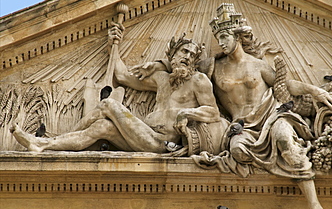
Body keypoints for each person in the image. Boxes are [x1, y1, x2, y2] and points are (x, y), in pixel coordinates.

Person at [139, 3, 332, 209]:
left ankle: (314, 205)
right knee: (236, 151)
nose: (221, 42)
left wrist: (315, 90)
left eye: (224, 36)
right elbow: (183, 63)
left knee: (284, 141)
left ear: (238, 36)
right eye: (218, 37)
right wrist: (156, 64)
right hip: (241, 127)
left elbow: (284, 84)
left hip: (271, 116)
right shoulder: (213, 67)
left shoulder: (259, 65)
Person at [10, 24, 227, 154]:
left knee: (108, 104)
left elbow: (213, 111)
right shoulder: (161, 79)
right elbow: (122, 76)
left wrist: (187, 113)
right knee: (101, 128)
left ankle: (50, 138)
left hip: (162, 142)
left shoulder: (198, 80)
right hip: (144, 135)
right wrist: (114, 44)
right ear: (172, 56)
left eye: (191, 55)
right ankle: (44, 145)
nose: (187, 57)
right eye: (183, 52)